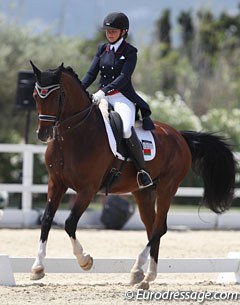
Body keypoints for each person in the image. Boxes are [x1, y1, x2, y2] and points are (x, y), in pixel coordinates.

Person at [82, 12, 154, 188]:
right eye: (107, 30)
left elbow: (123, 77)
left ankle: (142, 171)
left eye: (114, 30)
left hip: (122, 97)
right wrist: (79, 88)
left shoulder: (130, 52)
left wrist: (104, 91)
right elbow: (91, 73)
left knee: (127, 129)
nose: (110, 33)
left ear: (124, 32)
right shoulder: (102, 49)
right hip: (102, 96)